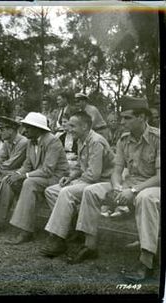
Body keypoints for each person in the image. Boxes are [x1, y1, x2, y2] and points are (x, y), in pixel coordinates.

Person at [43, 96, 160, 283]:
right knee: (91, 191)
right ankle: (90, 246)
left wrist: (133, 191)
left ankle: (147, 261)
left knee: (144, 199)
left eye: (127, 118)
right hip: (127, 184)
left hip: (152, 186)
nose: (122, 122)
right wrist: (117, 187)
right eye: (121, 118)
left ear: (142, 118)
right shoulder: (123, 140)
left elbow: (159, 176)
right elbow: (117, 170)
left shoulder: (157, 138)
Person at [0, 112, 69, 245]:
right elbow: (27, 165)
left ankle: (26, 231)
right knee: (9, 178)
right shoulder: (30, 142)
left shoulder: (52, 140)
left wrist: (23, 175)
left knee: (29, 183)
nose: (24, 130)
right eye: (25, 127)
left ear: (38, 129)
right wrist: (16, 174)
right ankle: (0, 221)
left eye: (28, 127)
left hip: (56, 177)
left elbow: (48, 170)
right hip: (39, 176)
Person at [39, 111, 115, 258]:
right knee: (51, 191)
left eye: (73, 126)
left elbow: (94, 174)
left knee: (66, 192)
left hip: (104, 183)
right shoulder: (81, 139)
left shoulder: (95, 141)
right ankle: (73, 229)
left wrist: (74, 183)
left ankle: (58, 238)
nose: (69, 129)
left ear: (85, 126)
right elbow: (81, 167)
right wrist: (70, 177)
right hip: (90, 181)